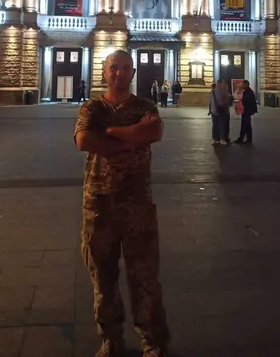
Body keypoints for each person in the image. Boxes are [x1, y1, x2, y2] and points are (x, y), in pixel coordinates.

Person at [74, 50, 170, 357]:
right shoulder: (92, 107)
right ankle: (110, 339)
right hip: (99, 203)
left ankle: (153, 342)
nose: (119, 72)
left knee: (145, 277)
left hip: (138, 202)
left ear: (133, 73)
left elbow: (154, 131)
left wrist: (112, 133)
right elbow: (84, 140)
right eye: (114, 67)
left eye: (125, 68)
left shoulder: (145, 107)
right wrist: (132, 138)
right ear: (104, 73)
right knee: (103, 278)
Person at [208, 80, 232, 145]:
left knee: (215, 125)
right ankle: (222, 139)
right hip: (221, 110)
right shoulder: (222, 91)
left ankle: (215, 139)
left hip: (214, 110)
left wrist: (210, 109)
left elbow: (211, 102)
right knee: (222, 125)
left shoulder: (212, 91)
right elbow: (225, 101)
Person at [234, 80, 257, 145]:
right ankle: (246, 139)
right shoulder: (247, 91)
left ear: (246, 84)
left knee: (245, 125)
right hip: (246, 111)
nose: (242, 86)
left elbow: (247, 101)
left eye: (243, 84)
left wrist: (240, 102)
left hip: (247, 111)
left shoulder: (248, 92)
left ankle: (243, 138)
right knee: (246, 125)